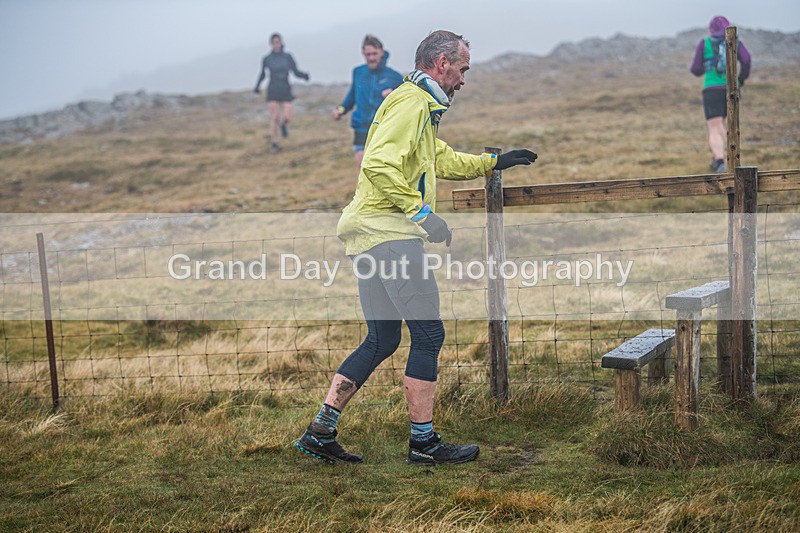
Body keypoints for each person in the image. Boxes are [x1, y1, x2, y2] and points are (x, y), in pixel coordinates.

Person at [295, 30, 538, 465]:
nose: (464, 79)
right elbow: (378, 164)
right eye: (462, 69)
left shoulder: (418, 105)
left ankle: (320, 431)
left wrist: (494, 162)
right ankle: (423, 443)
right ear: (441, 64)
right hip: (389, 235)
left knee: (383, 338)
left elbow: (437, 158)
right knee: (429, 334)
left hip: (368, 234)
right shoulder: (411, 103)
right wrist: (422, 215)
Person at [690, 16, 751, 173]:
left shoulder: (706, 43)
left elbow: (695, 69)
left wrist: (707, 67)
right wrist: (740, 79)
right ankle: (725, 158)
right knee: (724, 124)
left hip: (712, 89)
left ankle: (719, 160)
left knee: (714, 126)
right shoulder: (736, 42)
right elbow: (746, 59)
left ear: (711, 29)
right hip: (731, 88)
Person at [333, 34, 404, 168]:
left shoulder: (394, 77)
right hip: (361, 126)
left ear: (382, 52)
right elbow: (352, 96)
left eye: (374, 54)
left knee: (380, 168)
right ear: (363, 54)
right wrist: (341, 109)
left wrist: (393, 96)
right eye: (368, 54)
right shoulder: (358, 72)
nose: (371, 58)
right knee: (363, 166)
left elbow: (405, 105)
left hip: (383, 129)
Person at [254, 33, 310, 153]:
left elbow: (295, 71)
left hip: (285, 89)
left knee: (288, 116)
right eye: (274, 42)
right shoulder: (267, 59)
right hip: (273, 89)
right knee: (275, 117)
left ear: (281, 42)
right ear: (271, 44)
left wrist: (304, 76)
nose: (276, 44)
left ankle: (284, 125)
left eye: (278, 42)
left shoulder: (287, 57)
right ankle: (275, 142)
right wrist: (257, 86)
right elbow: (263, 74)